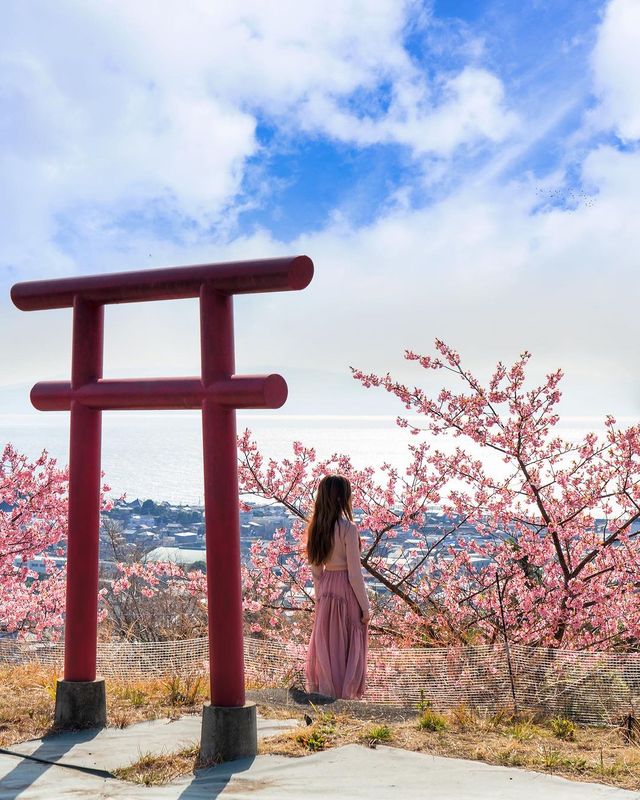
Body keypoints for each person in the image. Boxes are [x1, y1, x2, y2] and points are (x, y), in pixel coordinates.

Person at [304, 474, 370, 700]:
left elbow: (315, 569)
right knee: (348, 640)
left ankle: (326, 692)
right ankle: (345, 695)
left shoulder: (315, 528)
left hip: (326, 587)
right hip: (345, 588)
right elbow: (354, 573)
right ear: (343, 498)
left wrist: (321, 595)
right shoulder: (348, 528)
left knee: (328, 641)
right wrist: (366, 607)